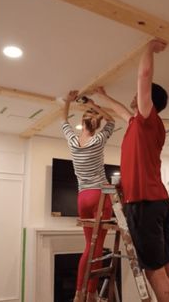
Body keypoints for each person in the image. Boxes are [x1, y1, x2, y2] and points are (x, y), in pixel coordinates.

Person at [93, 39, 169, 302]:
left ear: (150, 101)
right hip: (159, 202)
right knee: (168, 269)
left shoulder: (149, 119)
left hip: (145, 204)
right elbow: (122, 111)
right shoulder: (140, 123)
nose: (135, 96)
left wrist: (148, 48)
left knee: (156, 273)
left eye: (141, 94)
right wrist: (103, 97)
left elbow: (144, 75)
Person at [61, 91, 115, 302]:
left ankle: (78, 293)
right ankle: (91, 293)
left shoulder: (73, 141)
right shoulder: (99, 139)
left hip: (82, 197)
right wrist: (94, 104)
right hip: (99, 196)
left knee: (88, 247)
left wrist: (67, 101)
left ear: (82, 124)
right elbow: (111, 120)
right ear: (96, 125)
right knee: (97, 247)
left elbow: (64, 119)